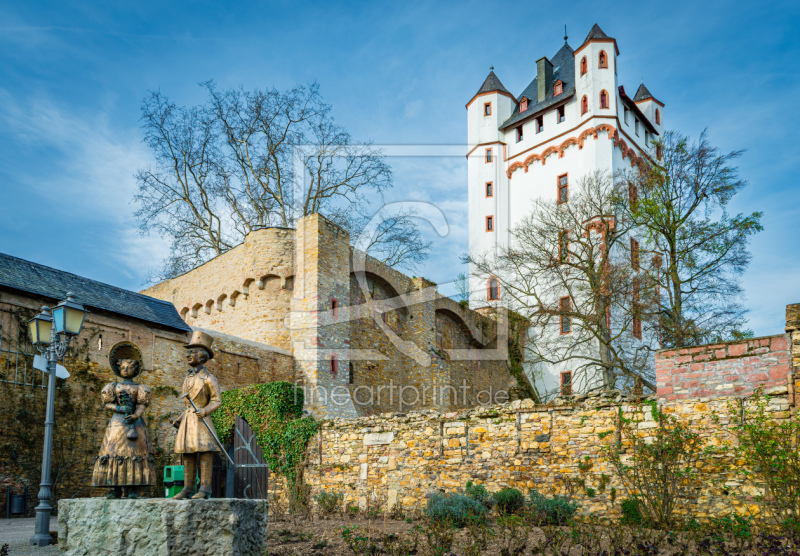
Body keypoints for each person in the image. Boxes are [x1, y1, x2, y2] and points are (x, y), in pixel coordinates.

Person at [91, 342, 155, 498]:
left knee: (135, 453)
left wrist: (136, 415)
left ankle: (133, 487)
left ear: (135, 369)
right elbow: (107, 404)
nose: (126, 370)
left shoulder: (140, 388)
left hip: (135, 423)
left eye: (129, 368)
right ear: (119, 369)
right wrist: (119, 408)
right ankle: (115, 487)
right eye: (123, 367)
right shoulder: (113, 387)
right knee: (114, 452)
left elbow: (141, 404)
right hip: (118, 424)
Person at [172, 331, 222, 499]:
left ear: (202, 356)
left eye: (192, 352)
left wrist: (205, 410)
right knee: (187, 454)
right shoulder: (187, 378)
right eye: (188, 352)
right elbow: (188, 403)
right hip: (188, 420)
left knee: (205, 453)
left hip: (201, 419)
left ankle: (205, 488)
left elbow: (217, 401)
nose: (188, 354)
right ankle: (188, 488)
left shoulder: (209, 379)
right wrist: (180, 418)